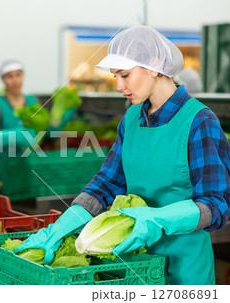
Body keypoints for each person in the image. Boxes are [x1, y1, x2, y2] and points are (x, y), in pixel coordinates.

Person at [15, 25, 230, 285]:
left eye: (125, 75)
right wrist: (64, 224)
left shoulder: (199, 121)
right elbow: (107, 183)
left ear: (153, 66)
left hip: (184, 269)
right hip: (133, 264)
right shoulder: (130, 119)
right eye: (115, 75)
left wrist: (159, 220)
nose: (118, 85)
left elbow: (217, 203)